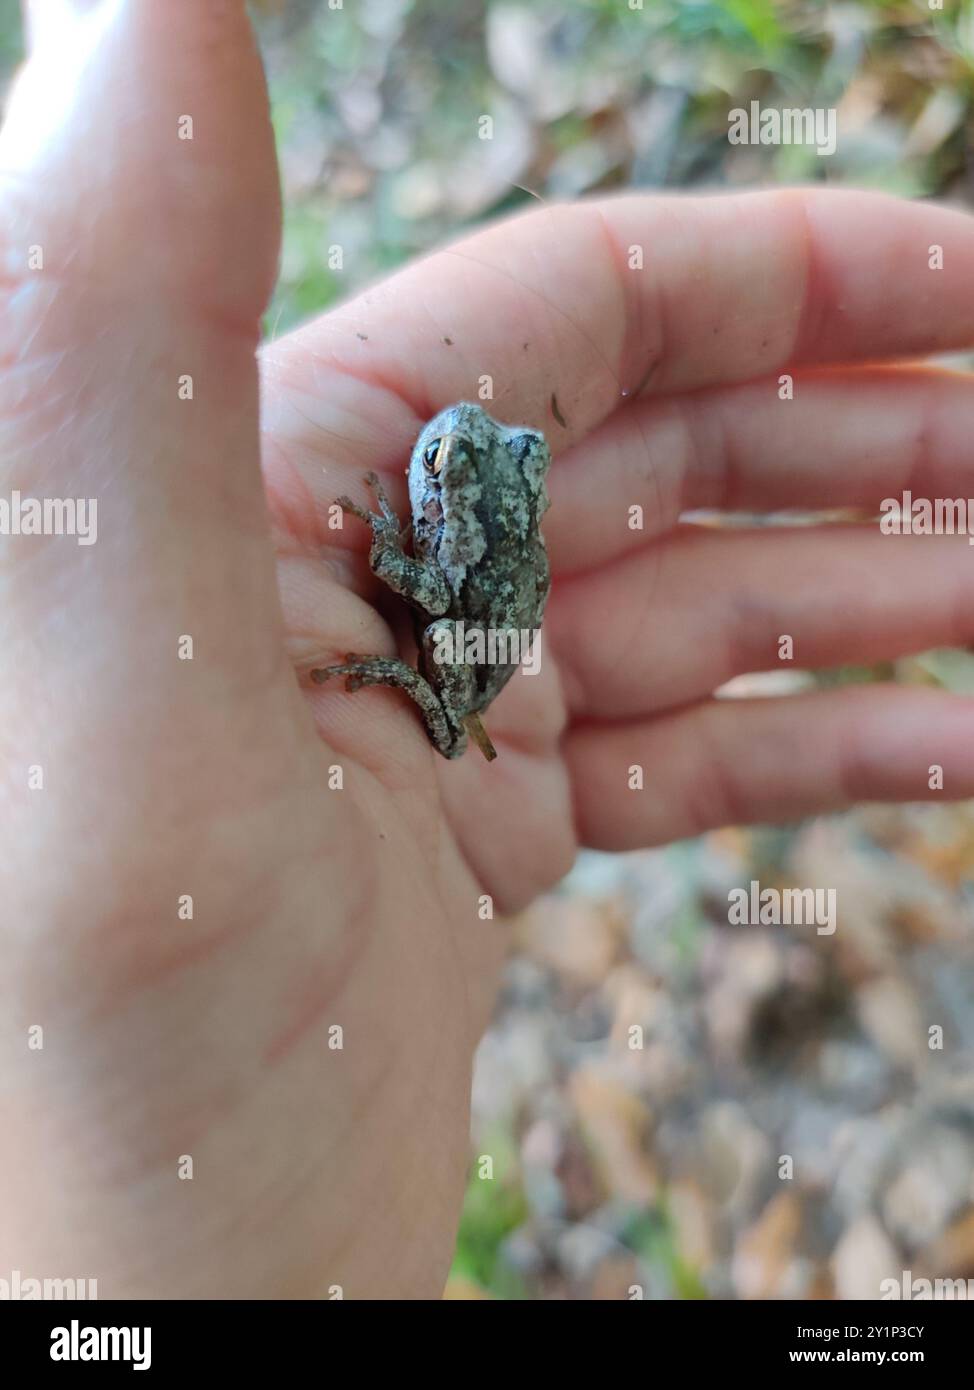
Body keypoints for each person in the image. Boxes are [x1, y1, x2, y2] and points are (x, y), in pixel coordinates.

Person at [2, 0, 972, 1299]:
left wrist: (405, 581)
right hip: (481, 633)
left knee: (442, 647)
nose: (460, 443)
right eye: (464, 449)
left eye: (475, 457)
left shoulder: (448, 530)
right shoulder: (459, 509)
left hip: (467, 650)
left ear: (477, 491)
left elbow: (408, 572)